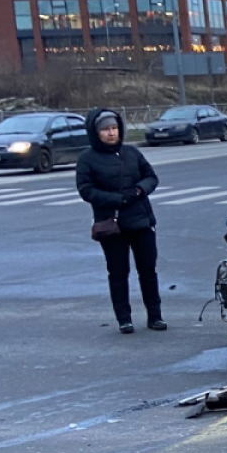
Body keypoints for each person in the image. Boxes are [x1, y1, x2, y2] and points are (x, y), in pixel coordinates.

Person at [75, 108, 163, 333]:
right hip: (112, 224)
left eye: (114, 128)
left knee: (148, 271)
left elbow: (151, 177)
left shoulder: (131, 153)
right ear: (96, 133)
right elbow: (86, 190)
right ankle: (124, 319)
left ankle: (155, 316)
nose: (111, 133)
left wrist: (139, 191)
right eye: (105, 130)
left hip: (141, 221)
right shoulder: (87, 158)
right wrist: (117, 199)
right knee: (118, 273)